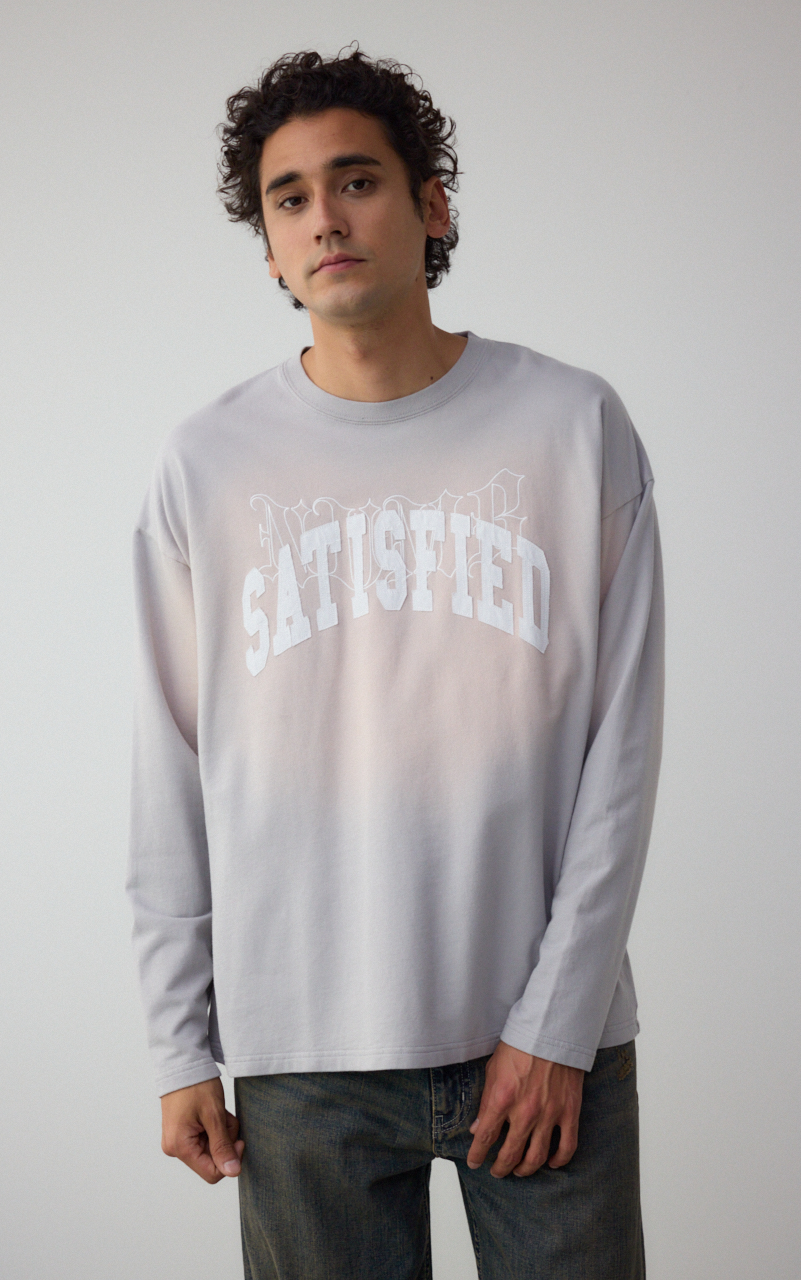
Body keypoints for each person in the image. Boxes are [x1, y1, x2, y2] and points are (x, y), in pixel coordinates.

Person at [126, 47, 664, 1280]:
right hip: (302, 1049)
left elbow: (622, 754)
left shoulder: (574, 426)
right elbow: (169, 765)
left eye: (357, 181)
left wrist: (557, 1025)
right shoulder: (204, 465)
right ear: (270, 249)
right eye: (290, 198)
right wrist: (178, 1042)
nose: (325, 217)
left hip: (545, 1035)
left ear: (432, 205)